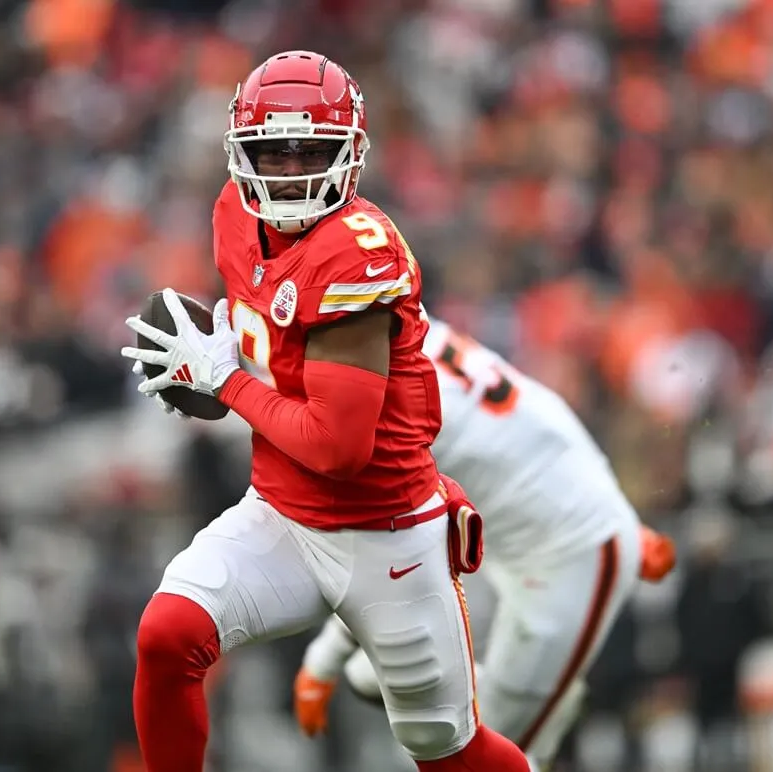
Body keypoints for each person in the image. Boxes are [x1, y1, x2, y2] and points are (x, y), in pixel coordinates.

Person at [120, 51, 533, 772]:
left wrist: (225, 384)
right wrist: (213, 368)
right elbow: (270, 358)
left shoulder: (355, 257)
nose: (289, 169)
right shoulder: (231, 218)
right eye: (270, 152)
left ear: (350, 152)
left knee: (448, 754)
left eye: (309, 150)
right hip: (282, 513)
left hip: (388, 537)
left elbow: (336, 446)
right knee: (166, 635)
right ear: (238, 154)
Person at [292, 316, 678, 770]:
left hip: (567, 560)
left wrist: (320, 663)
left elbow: (388, 563)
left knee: (488, 759)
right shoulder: (412, 328)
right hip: (518, 546)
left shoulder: (390, 410)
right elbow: (533, 417)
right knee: (372, 675)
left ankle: (542, 697)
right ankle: (542, 694)